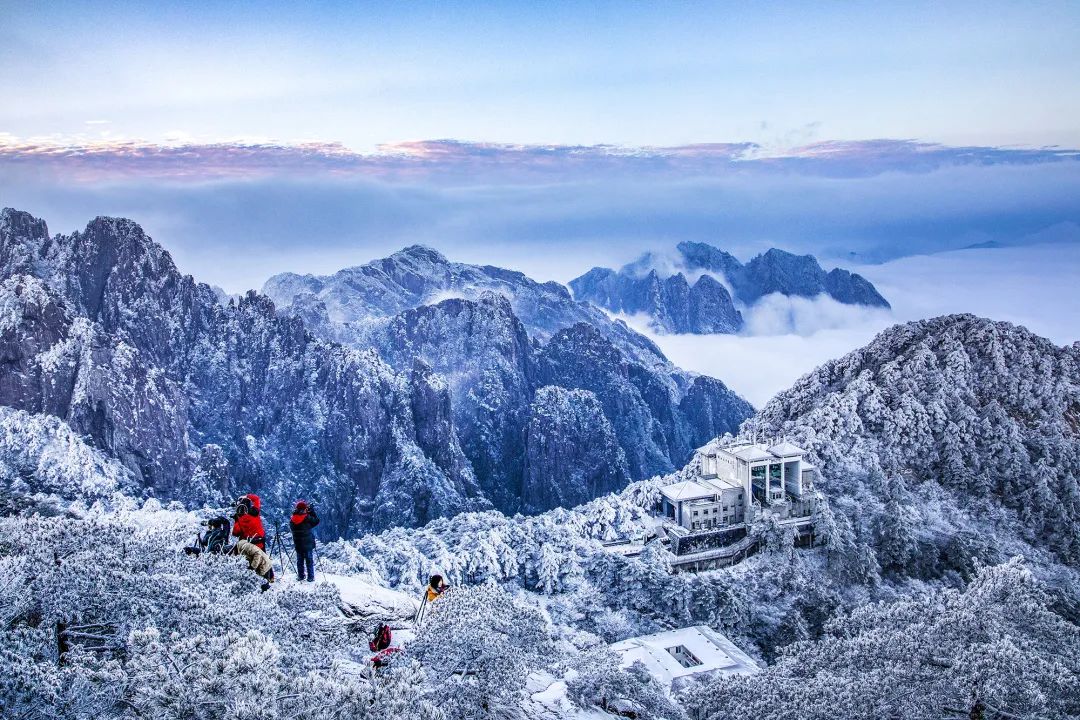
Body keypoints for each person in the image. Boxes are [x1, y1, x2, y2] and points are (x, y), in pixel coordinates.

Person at [289, 500, 320, 582]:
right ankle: (310, 577)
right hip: (307, 544)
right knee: (309, 561)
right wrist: (312, 512)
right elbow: (316, 521)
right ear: (304, 509)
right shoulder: (307, 518)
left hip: (298, 543)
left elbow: (294, 526)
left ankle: (301, 576)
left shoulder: (292, 519)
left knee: (300, 561)